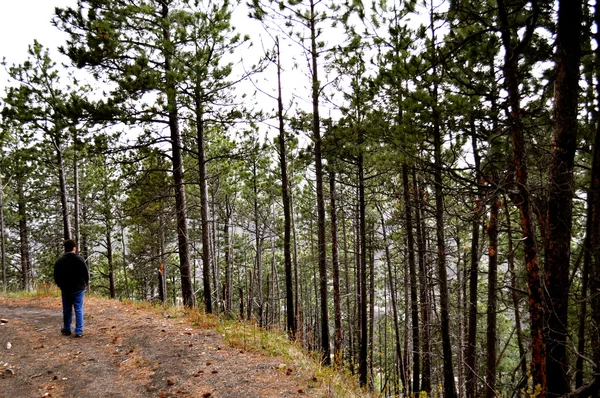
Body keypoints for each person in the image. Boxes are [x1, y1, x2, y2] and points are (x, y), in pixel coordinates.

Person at [54, 239, 89, 337]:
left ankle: (67, 329)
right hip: (78, 288)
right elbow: (86, 273)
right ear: (74, 248)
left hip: (66, 288)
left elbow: (56, 275)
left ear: (65, 249)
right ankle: (79, 331)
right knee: (78, 308)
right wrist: (85, 283)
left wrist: (59, 284)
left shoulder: (60, 261)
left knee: (67, 309)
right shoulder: (80, 259)